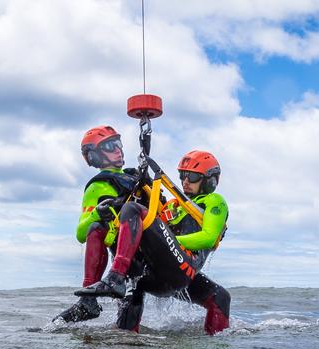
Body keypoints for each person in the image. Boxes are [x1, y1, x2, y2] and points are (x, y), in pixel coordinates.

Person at [76, 150, 231, 335]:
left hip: (184, 267)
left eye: (192, 176)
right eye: (182, 175)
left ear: (209, 180)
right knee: (132, 277)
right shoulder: (174, 204)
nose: (185, 181)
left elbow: (209, 237)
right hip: (161, 272)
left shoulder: (214, 201)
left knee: (133, 209)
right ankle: (120, 337)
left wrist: (168, 241)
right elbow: (154, 227)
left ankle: (115, 277)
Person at [54, 125, 139, 323]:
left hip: (144, 252)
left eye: (118, 144)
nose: (118, 149)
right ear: (94, 156)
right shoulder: (96, 187)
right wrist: (96, 214)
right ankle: (87, 300)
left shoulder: (134, 176)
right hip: (125, 261)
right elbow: (81, 233)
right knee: (126, 331)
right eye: (110, 146)